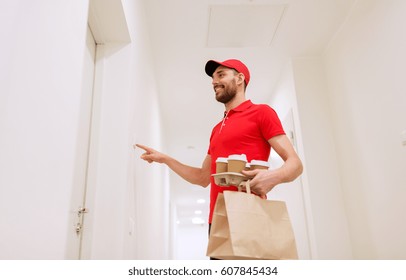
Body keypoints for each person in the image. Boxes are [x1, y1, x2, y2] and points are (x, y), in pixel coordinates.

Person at [135, 59, 303, 256]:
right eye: (213, 78)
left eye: (221, 74)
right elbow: (202, 178)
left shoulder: (261, 113)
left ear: (240, 78)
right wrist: (165, 159)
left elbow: (295, 164)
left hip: (247, 214)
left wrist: (272, 177)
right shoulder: (217, 129)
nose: (214, 81)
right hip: (216, 222)